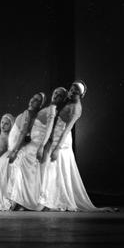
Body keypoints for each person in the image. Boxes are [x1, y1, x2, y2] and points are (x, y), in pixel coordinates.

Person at [39, 81, 111, 211]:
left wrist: (57, 148)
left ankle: (53, 201)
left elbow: (67, 129)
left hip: (62, 139)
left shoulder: (76, 108)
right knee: (52, 168)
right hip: (55, 135)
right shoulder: (68, 100)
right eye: (71, 90)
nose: (72, 93)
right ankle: (49, 199)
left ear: (81, 95)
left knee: (57, 167)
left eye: (75, 92)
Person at [6, 91, 52, 211]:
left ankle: (18, 200)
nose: (32, 100)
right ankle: (20, 200)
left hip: (16, 148)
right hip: (16, 146)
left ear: (41, 105)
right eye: (33, 98)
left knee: (20, 164)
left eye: (37, 100)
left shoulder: (28, 113)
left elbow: (23, 132)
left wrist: (14, 151)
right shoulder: (31, 114)